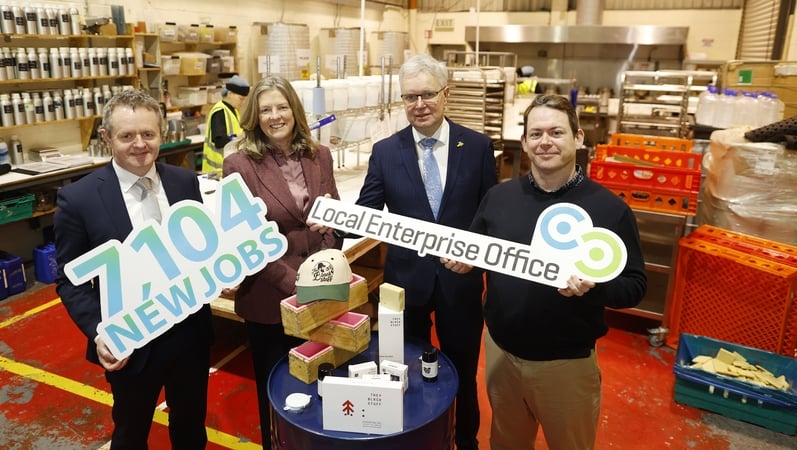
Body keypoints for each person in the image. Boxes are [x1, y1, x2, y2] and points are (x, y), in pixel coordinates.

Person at [466, 94, 647, 450]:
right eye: (536, 134)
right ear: (524, 142)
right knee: (506, 443)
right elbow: (475, 251)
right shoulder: (499, 198)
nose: (545, 142)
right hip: (502, 354)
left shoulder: (609, 209)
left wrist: (596, 287)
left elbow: (635, 285)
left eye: (556, 132)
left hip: (565, 364)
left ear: (578, 139)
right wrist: (462, 262)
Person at [54, 88, 214, 449]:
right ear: (107, 137)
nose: (140, 144)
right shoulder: (78, 199)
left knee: (190, 426)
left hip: (189, 333)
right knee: (131, 432)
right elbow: (69, 280)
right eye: (127, 136)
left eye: (148, 134)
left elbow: (200, 248)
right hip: (132, 344)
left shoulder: (184, 182)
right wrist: (100, 332)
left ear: (162, 134)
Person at [354, 53, 498, 450]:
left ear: (446, 94)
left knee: (463, 371)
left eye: (427, 95)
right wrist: (328, 220)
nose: (419, 105)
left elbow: (491, 216)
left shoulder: (479, 147)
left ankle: (464, 439)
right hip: (406, 287)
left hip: (462, 283)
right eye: (409, 97)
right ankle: (415, 438)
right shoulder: (386, 152)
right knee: (407, 370)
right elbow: (367, 210)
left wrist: (475, 256)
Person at [222, 75, 342, 449]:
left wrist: (326, 255)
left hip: (323, 289)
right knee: (277, 391)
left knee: (322, 380)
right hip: (271, 297)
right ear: (254, 117)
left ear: (295, 109)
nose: (275, 116)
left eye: (282, 106)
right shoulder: (238, 165)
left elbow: (333, 215)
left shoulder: (319, 155)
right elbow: (247, 241)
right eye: (266, 109)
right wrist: (296, 286)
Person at [202, 74, 250, 173]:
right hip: (217, 169)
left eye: (244, 99)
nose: (243, 102)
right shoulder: (220, 111)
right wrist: (238, 138)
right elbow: (219, 140)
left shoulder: (234, 111)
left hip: (228, 165)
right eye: (241, 99)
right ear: (230, 94)